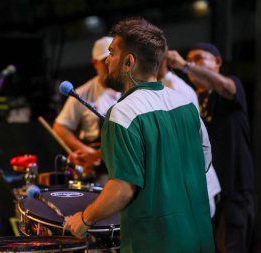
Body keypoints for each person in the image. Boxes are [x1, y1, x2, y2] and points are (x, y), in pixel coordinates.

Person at [64, 17, 215, 252]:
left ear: (129, 62)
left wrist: (84, 218)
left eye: (112, 53)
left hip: (155, 243)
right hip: (200, 238)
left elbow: (122, 189)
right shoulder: (186, 105)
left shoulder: (122, 114)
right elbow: (204, 161)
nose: (107, 59)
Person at [167, 42, 255, 253]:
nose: (191, 63)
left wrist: (183, 64)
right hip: (205, 194)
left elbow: (226, 87)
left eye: (198, 58)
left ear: (217, 62)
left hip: (234, 192)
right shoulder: (190, 99)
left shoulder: (230, 87)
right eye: (189, 59)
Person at [157, 50, 221, 218]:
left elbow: (184, 143)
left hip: (193, 190)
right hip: (181, 189)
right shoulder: (151, 89)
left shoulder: (177, 89)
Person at [53, 36, 121, 181]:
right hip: (98, 170)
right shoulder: (82, 93)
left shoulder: (131, 89)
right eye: (104, 60)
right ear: (94, 63)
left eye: (113, 57)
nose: (109, 63)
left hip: (124, 163)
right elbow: (60, 127)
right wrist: (84, 149)